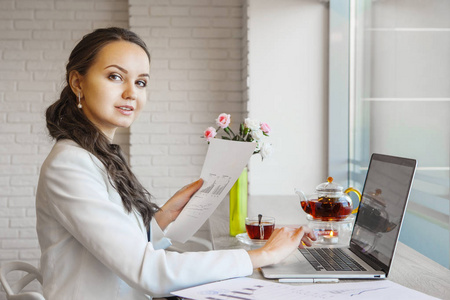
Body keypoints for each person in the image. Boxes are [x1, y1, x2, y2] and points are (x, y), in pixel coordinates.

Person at [36, 27, 316, 300]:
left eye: (141, 82)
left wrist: (164, 217)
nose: (131, 93)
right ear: (77, 83)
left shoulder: (98, 154)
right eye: (115, 77)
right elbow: (149, 273)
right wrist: (263, 255)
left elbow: (121, 247)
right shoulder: (69, 165)